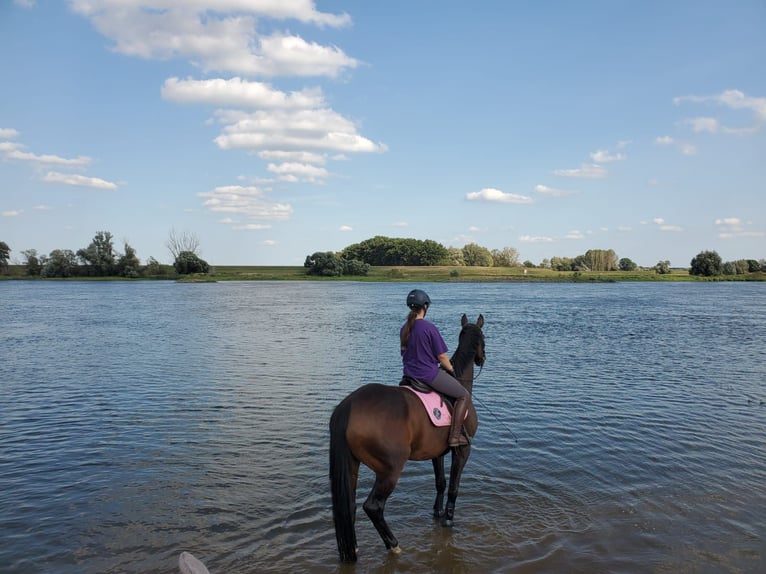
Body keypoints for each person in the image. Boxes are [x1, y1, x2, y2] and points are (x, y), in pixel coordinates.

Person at [400, 288, 472, 447]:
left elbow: (405, 353)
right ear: (425, 306)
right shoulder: (428, 327)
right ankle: (454, 437)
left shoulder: (404, 328)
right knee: (464, 395)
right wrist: (452, 370)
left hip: (408, 375)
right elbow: (442, 358)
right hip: (428, 374)